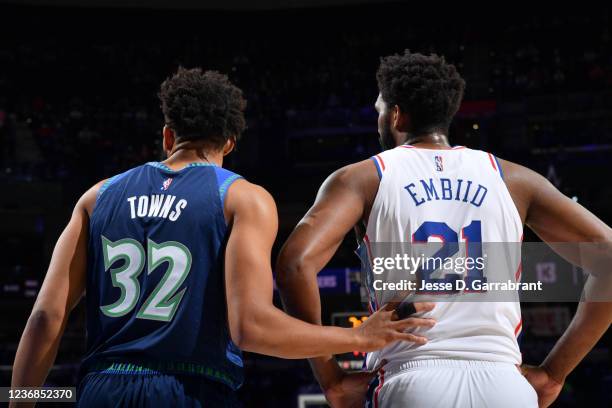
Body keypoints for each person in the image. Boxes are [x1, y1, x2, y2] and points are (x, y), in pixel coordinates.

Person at [10, 67, 435, 407]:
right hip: (192, 388)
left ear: (168, 136)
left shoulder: (96, 197)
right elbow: (252, 326)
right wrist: (357, 337)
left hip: (101, 389)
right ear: (229, 143)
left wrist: (22, 401)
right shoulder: (241, 198)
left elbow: (46, 317)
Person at [276, 51, 612, 408]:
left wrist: (332, 379)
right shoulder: (514, 179)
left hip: (413, 378)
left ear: (395, 115)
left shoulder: (362, 178)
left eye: (379, 111)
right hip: (503, 383)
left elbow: (295, 264)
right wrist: (553, 374)